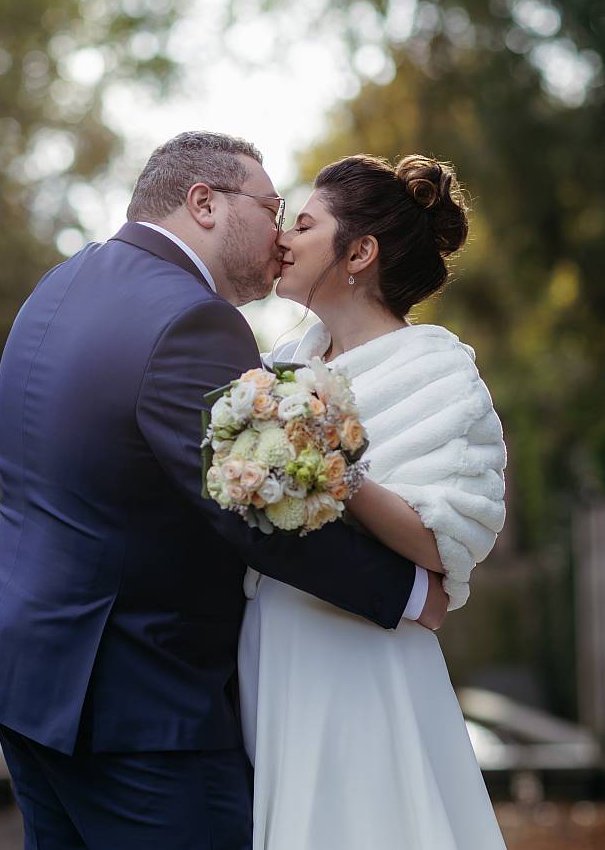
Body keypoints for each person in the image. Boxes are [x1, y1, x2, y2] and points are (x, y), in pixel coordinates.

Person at [0, 131, 448, 849]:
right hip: (137, 710)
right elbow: (246, 509)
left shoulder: (59, 285)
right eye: (272, 206)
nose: (280, 233)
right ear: (205, 203)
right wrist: (406, 591)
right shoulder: (194, 319)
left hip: (24, 682)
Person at [239, 153, 509, 848]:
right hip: (273, 640)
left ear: (359, 252)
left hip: (361, 647)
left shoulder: (436, 369)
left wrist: (338, 468)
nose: (283, 240)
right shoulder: (282, 365)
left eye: (303, 225)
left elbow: (442, 541)